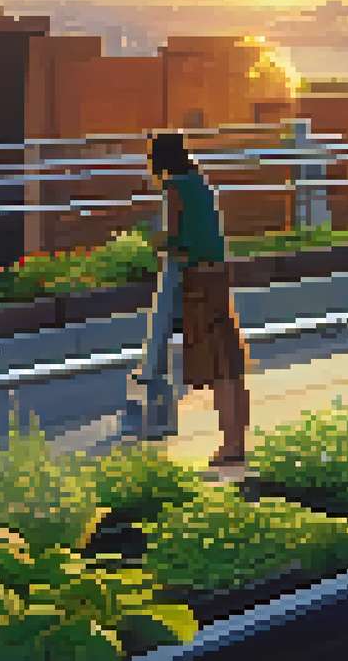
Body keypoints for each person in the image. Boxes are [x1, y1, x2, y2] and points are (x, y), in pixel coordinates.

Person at [135, 131, 252, 466]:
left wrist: (150, 240)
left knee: (217, 367)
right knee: (231, 361)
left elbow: (175, 240)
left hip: (197, 279)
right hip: (218, 275)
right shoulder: (201, 183)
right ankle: (237, 442)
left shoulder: (175, 188)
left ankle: (229, 447)